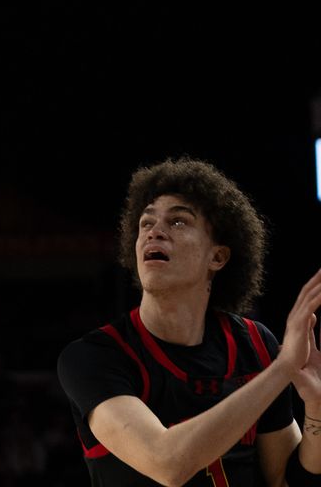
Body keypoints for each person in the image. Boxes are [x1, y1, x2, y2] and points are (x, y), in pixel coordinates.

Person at [57, 157, 321, 486]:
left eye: (178, 222)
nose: (155, 231)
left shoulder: (254, 344)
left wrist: (316, 404)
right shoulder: (94, 356)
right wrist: (281, 370)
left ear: (218, 257)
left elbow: (284, 478)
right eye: (146, 223)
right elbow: (168, 463)